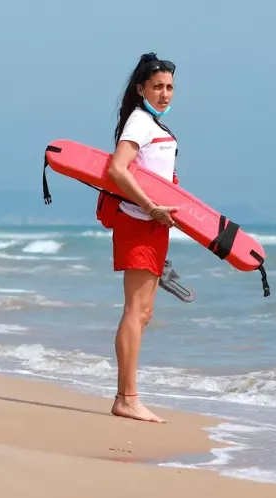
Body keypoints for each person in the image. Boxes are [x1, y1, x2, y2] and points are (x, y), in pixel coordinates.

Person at [104, 53, 183, 424]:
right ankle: (127, 398)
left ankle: (128, 395)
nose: (165, 93)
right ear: (141, 89)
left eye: (169, 87)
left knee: (144, 313)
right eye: (157, 87)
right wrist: (152, 207)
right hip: (139, 223)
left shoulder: (154, 124)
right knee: (135, 312)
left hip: (154, 224)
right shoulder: (139, 122)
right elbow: (118, 170)